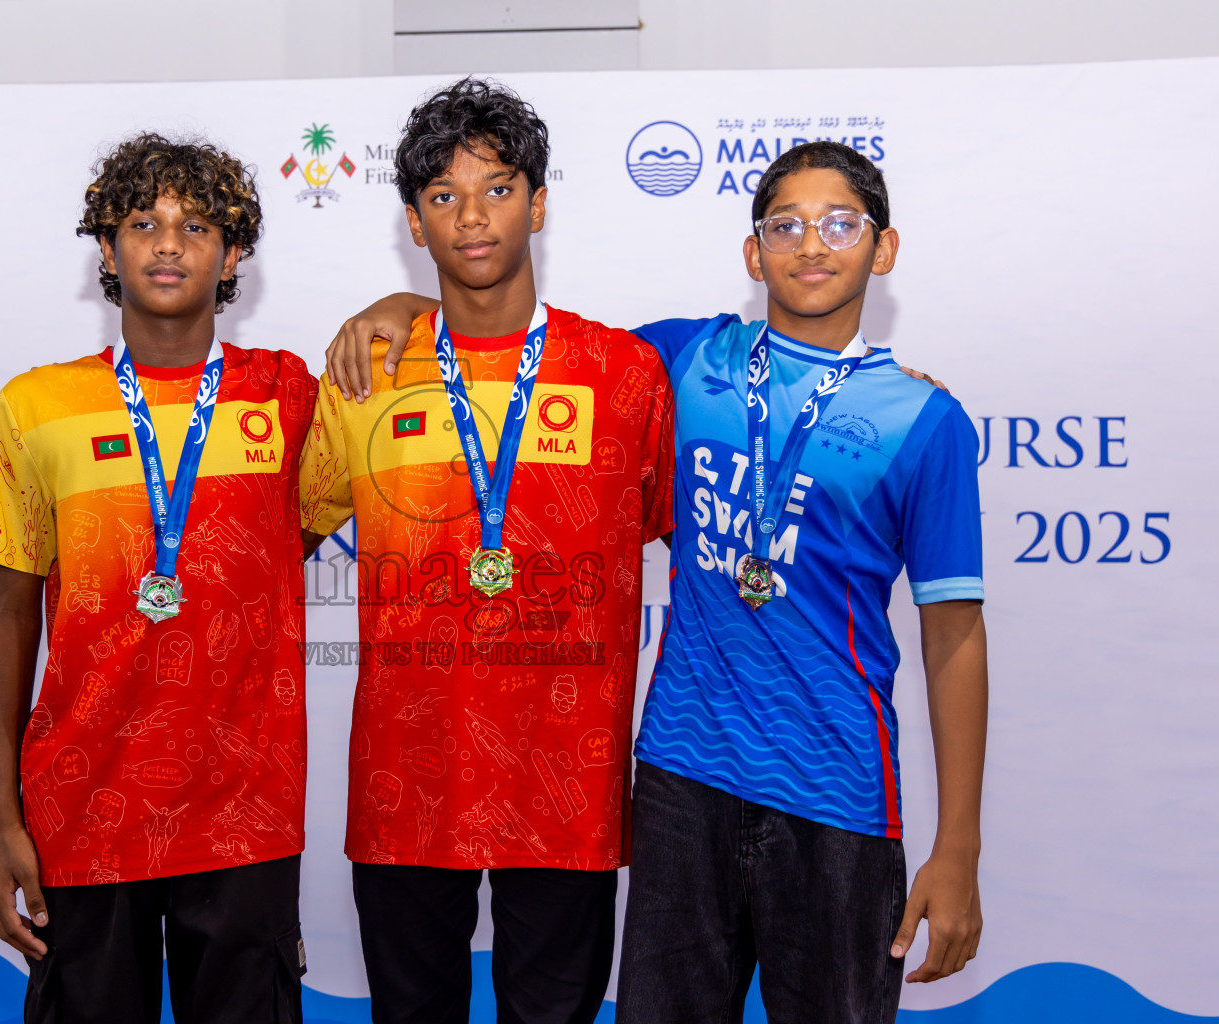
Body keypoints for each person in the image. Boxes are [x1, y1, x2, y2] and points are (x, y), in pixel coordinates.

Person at [330, 140, 986, 1024]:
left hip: (839, 796)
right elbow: (507, 336)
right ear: (753, 252)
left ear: (885, 247)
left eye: (840, 224)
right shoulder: (673, 363)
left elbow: (954, 637)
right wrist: (407, 304)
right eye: (785, 226)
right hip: (681, 780)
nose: (812, 246)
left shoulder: (924, 418)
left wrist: (959, 847)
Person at [297, 78, 674, 1024]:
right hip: (406, 786)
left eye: (499, 189)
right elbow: (277, 546)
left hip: (568, 792)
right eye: (442, 197)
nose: (472, 217)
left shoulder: (624, 375)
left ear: (539, 203)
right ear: (413, 225)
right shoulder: (366, 375)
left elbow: (682, 520)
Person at [0, 133, 320, 1024]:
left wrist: (394, 303)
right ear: (108, 251)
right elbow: (5, 614)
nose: (168, 243)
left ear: (232, 254)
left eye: (196, 224)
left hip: (244, 813)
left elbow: (410, 374)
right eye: (142, 222)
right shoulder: (36, 405)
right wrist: (0, 821)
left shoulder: (288, 397)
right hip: (82, 811)